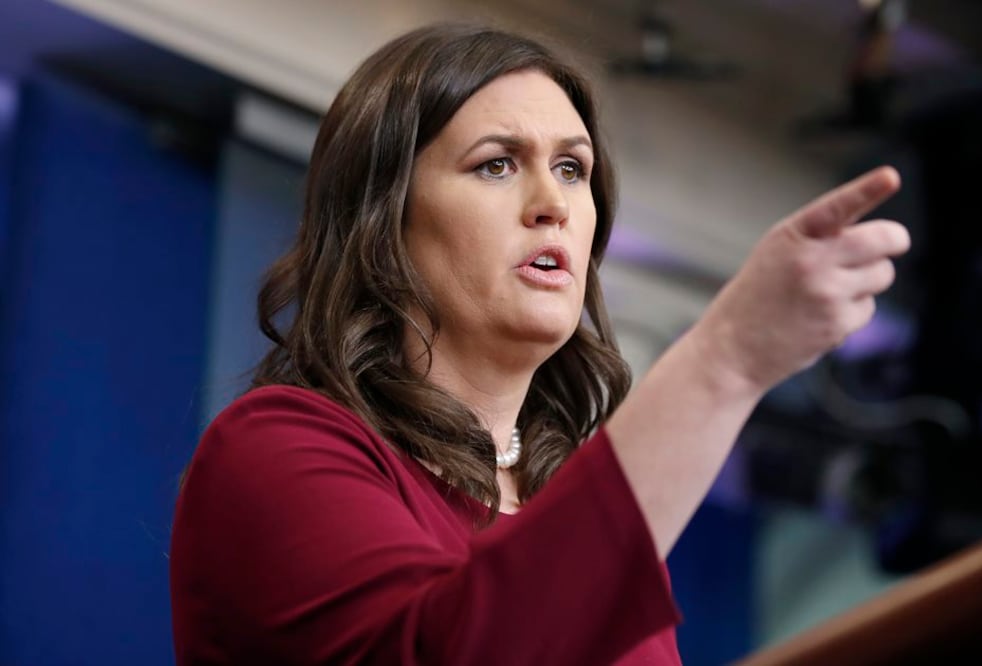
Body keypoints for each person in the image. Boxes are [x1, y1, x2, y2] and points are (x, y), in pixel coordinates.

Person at [169, 22, 910, 665]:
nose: (553, 204)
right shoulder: (274, 449)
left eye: (571, 168)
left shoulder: (575, 512)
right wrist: (726, 361)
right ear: (382, 221)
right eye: (496, 164)